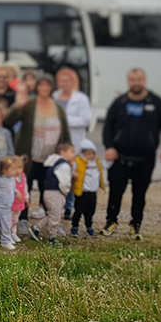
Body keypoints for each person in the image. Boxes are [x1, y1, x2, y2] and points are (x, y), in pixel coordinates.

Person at [101, 68, 161, 240]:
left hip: (145, 158)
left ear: (144, 80)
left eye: (139, 79)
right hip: (120, 157)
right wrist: (109, 147)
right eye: (132, 80)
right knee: (116, 191)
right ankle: (111, 221)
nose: (136, 83)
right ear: (128, 81)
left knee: (140, 193)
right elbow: (108, 126)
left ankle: (136, 224)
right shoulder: (120, 102)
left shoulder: (156, 102)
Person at [6, 76, 71, 236]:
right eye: (41, 84)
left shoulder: (58, 108)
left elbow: (65, 132)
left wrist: (67, 155)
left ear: (52, 87)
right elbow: (8, 122)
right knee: (23, 188)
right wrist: (17, 106)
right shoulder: (29, 105)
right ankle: (22, 219)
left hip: (51, 159)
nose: (44, 88)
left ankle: (52, 221)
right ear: (36, 87)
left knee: (50, 191)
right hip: (29, 157)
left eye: (47, 85)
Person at [53, 68, 93, 220]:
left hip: (73, 141)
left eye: (67, 80)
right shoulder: (54, 96)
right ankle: (56, 205)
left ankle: (69, 206)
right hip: (57, 140)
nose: (65, 83)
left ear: (73, 81)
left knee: (71, 174)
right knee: (57, 173)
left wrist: (64, 121)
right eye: (62, 81)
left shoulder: (81, 98)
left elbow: (86, 119)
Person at [28, 142, 76, 247]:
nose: (74, 154)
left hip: (48, 192)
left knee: (52, 214)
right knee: (56, 216)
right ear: (63, 152)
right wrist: (66, 191)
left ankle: (36, 228)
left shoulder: (54, 162)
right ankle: (52, 237)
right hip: (56, 193)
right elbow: (65, 181)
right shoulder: (63, 165)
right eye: (72, 152)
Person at [0, 156, 26, 250]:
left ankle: (5, 241)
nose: (15, 172)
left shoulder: (12, 179)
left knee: (7, 225)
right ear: (4, 170)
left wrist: (17, 193)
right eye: (13, 169)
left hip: (8, 207)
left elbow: (12, 188)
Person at [70, 139, 104, 237]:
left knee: (90, 210)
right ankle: (75, 226)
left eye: (92, 153)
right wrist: (73, 173)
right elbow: (71, 169)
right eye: (88, 154)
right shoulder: (78, 162)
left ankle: (89, 226)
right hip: (82, 191)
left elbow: (101, 170)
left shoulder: (96, 162)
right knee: (79, 210)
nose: (90, 156)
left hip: (92, 191)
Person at [8, 156, 29, 243]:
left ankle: (13, 232)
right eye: (15, 168)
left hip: (20, 202)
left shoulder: (23, 177)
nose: (18, 171)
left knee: (15, 218)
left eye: (20, 168)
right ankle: (7, 234)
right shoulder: (10, 178)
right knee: (9, 218)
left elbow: (25, 188)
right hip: (11, 202)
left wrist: (27, 198)